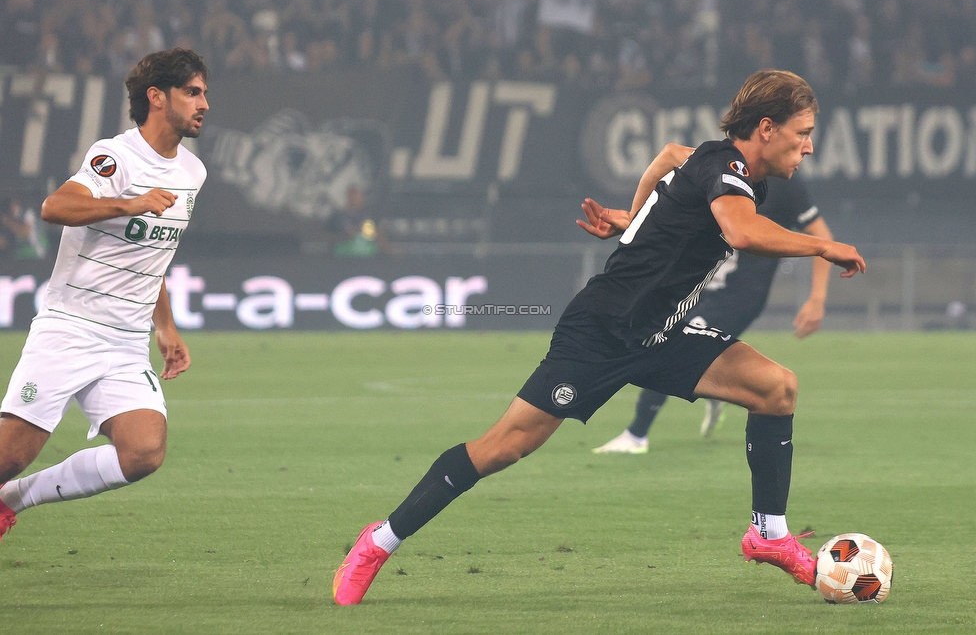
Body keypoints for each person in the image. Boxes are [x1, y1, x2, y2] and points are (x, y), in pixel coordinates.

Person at [332, 70, 866, 605]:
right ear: (767, 128)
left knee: (777, 388)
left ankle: (768, 535)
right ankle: (378, 542)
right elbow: (742, 232)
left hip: (663, 333)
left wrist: (635, 219)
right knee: (504, 447)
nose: (810, 146)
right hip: (603, 332)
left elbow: (668, 155)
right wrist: (823, 246)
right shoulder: (725, 168)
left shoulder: (722, 165)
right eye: (803, 133)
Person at [0, 48, 209, 544]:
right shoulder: (116, 155)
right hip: (69, 328)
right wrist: (130, 202)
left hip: (125, 342)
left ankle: (13, 500)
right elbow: (56, 206)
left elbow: (152, 255)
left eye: (205, 93)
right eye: (193, 93)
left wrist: (166, 326)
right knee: (8, 455)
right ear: (157, 98)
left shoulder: (191, 173)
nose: (205, 104)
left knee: (143, 452)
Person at [592, 175, 833, 454]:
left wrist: (817, 299)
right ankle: (720, 385)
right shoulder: (720, 171)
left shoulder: (785, 185)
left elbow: (821, 236)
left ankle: (636, 435)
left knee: (668, 344)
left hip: (739, 297)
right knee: (655, 335)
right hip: (699, 285)